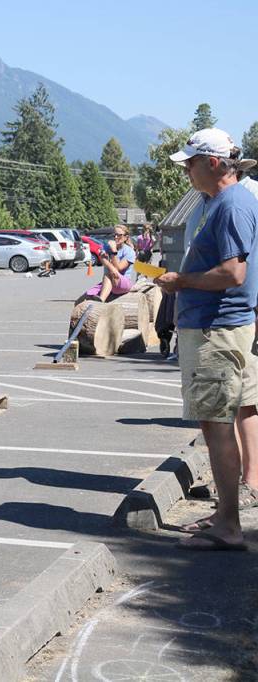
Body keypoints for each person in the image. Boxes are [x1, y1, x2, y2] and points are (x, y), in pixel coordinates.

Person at [156, 128, 258, 551]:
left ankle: (228, 526)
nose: (186, 172)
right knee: (220, 420)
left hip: (216, 329)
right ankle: (224, 514)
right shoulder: (227, 201)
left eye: (190, 164)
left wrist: (182, 281)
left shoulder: (231, 205)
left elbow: (234, 273)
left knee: (216, 425)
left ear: (213, 163)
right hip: (221, 326)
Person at [83, 226, 136, 302]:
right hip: (108, 281)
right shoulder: (107, 247)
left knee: (109, 274)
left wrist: (114, 252)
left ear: (126, 237)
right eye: (114, 235)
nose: (116, 237)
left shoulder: (129, 251)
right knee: (81, 300)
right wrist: (105, 260)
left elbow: (118, 269)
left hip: (123, 283)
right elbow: (102, 258)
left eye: (119, 235)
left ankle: (101, 299)